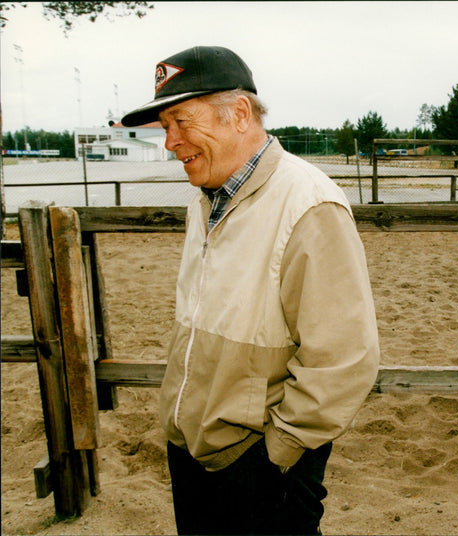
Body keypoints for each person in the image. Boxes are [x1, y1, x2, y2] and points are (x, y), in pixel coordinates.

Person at [121, 46, 380, 535]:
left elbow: (345, 359)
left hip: (261, 465)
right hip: (193, 452)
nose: (169, 142)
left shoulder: (309, 204)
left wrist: (276, 456)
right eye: (165, 125)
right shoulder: (206, 201)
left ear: (239, 113)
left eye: (181, 121)